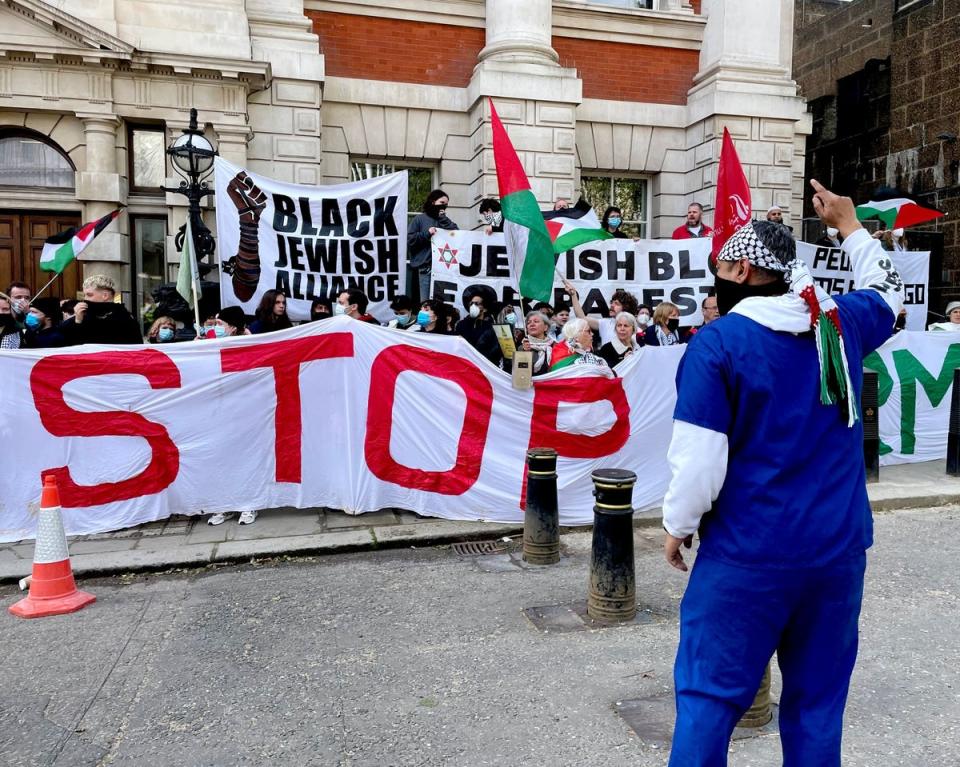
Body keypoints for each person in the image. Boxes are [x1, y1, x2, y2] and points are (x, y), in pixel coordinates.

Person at [660, 180, 903, 766]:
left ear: (741, 271)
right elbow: (889, 293)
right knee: (818, 706)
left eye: (721, 264)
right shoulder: (839, 323)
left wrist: (678, 524)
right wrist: (849, 227)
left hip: (749, 554)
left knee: (707, 703)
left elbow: (699, 460)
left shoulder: (716, 345)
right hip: (837, 553)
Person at [407, 189, 458, 303]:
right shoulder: (419, 219)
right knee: (426, 302)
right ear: (433, 202)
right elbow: (410, 240)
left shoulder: (444, 220)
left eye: (446, 204)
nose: (444, 206)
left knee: (442, 302)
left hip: (443, 269)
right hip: (425, 268)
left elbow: (457, 235)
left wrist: (443, 219)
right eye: (442, 203)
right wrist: (427, 234)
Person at [63, 275, 143, 345]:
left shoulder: (126, 319)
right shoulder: (83, 315)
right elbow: (69, 346)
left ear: (105, 295)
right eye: (84, 295)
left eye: (89, 295)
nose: (85, 299)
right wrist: (77, 321)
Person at [565, 282, 639, 348]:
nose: (612, 305)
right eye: (612, 302)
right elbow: (581, 318)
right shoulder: (605, 323)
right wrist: (573, 295)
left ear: (626, 307)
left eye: (616, 304)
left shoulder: (638, 331)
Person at [455, 285, 501, 364]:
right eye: (471, 303)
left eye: (476, 304)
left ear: (484, 308)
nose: (473, 306)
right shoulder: (461, 325)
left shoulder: (491, 328)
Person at [520, 310, 554, 375]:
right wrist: (524, 353)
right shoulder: (521, 346)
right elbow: (520, 372)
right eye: (529, 323)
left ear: (545, 327)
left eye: (536, 321)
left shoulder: (555, 346)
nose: (532, 324)